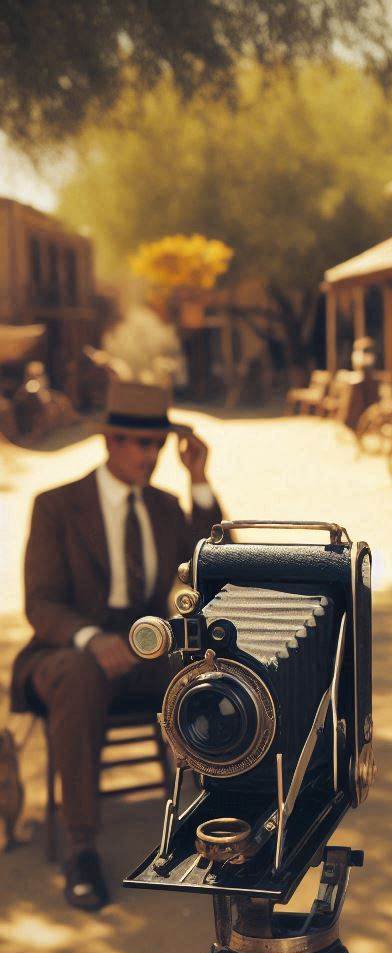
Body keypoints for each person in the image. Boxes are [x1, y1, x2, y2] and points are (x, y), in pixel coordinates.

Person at [11, 379, 223, 911]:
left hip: (145, 651)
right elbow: (40, 602)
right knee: (83, 676)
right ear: (109, 441)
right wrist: (92, 639)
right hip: (67, 650)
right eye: (136, 442)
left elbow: (216, 570)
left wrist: (199, 479)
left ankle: (220, 826)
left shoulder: (165, 505)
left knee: (217, 663)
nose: (148, 455)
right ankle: (82, 847)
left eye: (156, 445)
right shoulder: (57, 506)